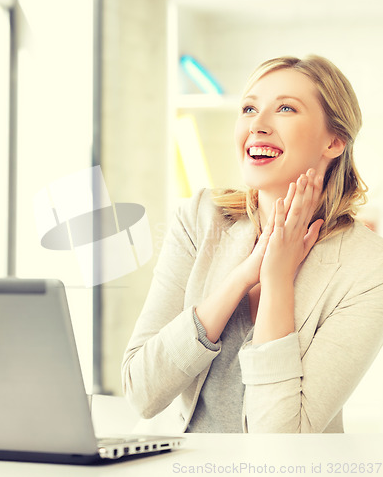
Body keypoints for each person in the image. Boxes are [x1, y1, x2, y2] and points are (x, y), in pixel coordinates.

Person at [121, 55, 383, 433]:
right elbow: (141, 393)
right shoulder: (199, 218)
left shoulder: (367, 266)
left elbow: (279, 440)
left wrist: (277, 279)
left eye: (286, 109)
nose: (257, 125)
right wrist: (242, 276)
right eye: (248, 108)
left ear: (335, 140)